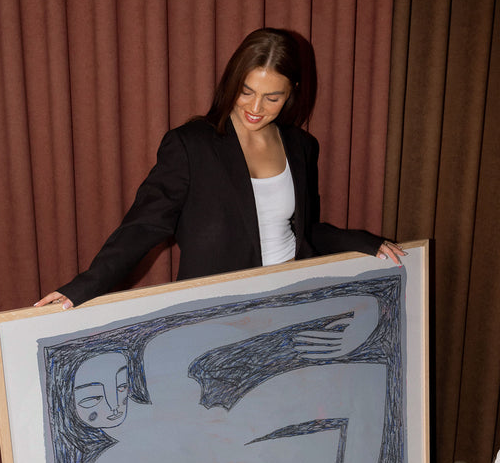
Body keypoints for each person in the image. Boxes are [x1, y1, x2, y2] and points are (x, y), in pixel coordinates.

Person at [34, 27, 405, 311]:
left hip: (291, 299)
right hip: (219, 310)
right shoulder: (191, 145)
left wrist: (365, 243)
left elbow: (305, 230)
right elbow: (143, 227)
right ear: (232, 82)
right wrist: (83, 288)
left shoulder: (301, 146)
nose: (256, 108)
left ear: (291, 92)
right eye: (247, 91)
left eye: (272, 97)